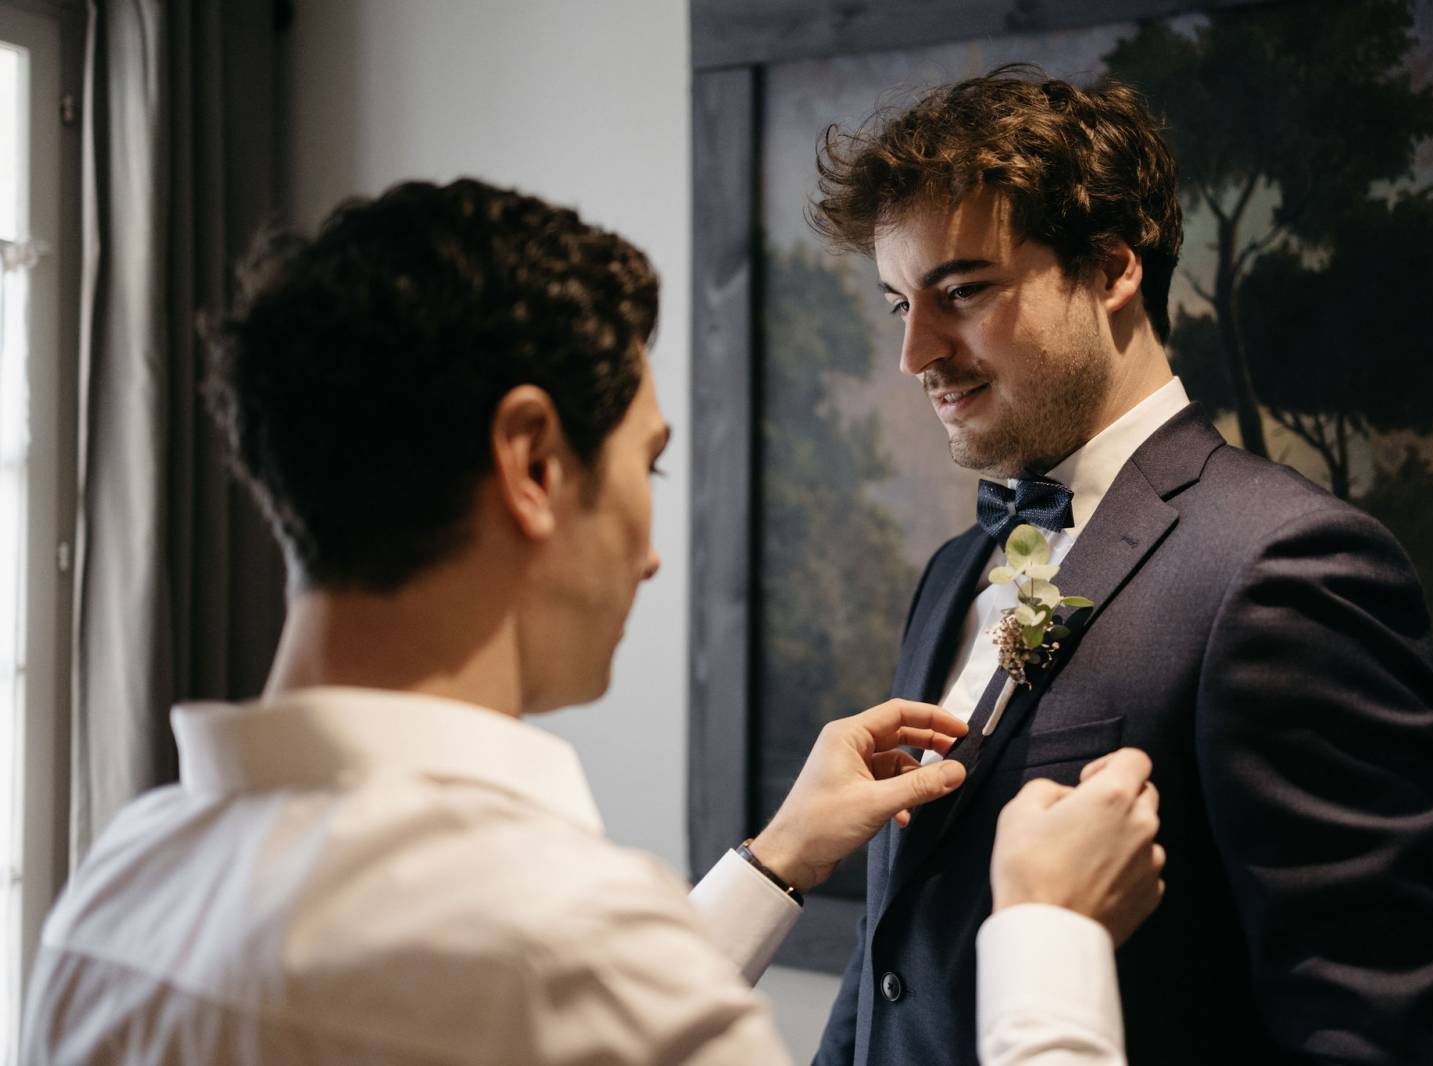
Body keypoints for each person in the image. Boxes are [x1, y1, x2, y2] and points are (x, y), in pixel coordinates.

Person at [20, 178, 1164, 1065]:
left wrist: (775, 859)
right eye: (645, 466)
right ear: (531, 462)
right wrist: (1047, 937)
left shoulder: (117, 890)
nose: (650, 551)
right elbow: (573, 988)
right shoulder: (564, 945)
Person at [806, 66, 1433, 1065]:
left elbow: (1387, 1030)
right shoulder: (955, 570)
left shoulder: (1290, 567)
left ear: (1112, 268)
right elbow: (891, 952)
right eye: (897, 304)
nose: (916, 354)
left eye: (961, 291)